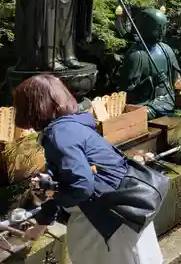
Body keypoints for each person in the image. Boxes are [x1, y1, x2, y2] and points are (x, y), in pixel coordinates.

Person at [14, 75, 163, 264]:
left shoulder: (59, 135)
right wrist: (42, 221)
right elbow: (64, 178)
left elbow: (82, 186)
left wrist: (51, 192)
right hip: (127, 209)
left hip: (108, 220)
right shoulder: (72, 126)